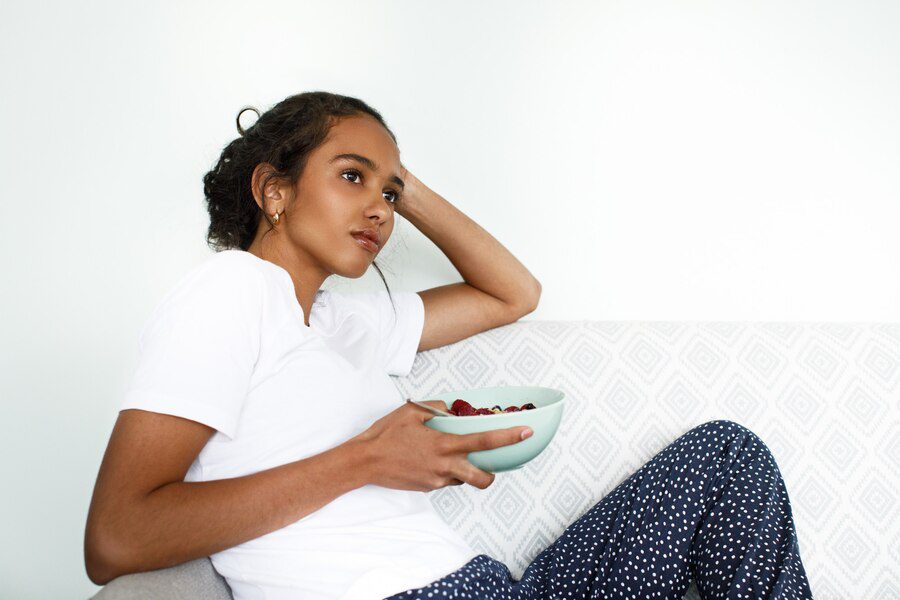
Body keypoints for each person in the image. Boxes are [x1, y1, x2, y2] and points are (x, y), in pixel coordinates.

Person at [83, 91, 813, 599]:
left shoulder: (348, 322)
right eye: (350, 176)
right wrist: (366, 457)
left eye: (388, 196)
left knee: (723, 457)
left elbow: (513, 293)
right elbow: (115, 538)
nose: (379, 209)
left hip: (495, 588)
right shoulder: (232, 292)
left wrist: (399, 178)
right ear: (274, 189)